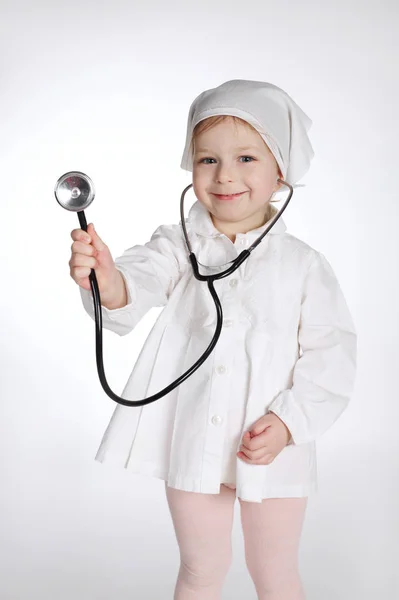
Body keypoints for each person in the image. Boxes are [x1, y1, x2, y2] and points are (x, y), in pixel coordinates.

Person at [69, 80, 357, 599]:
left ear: (281, 171)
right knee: (201, 571)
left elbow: (331, 357)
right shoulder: (178, 243)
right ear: (190, 166)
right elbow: (138, 280)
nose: (225, 176)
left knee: (275, 573)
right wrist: (108, 282)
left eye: (246, 157)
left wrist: (290, 423)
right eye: (207, 160)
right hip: (194, 438)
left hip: (272, 447)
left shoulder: (304, 266)